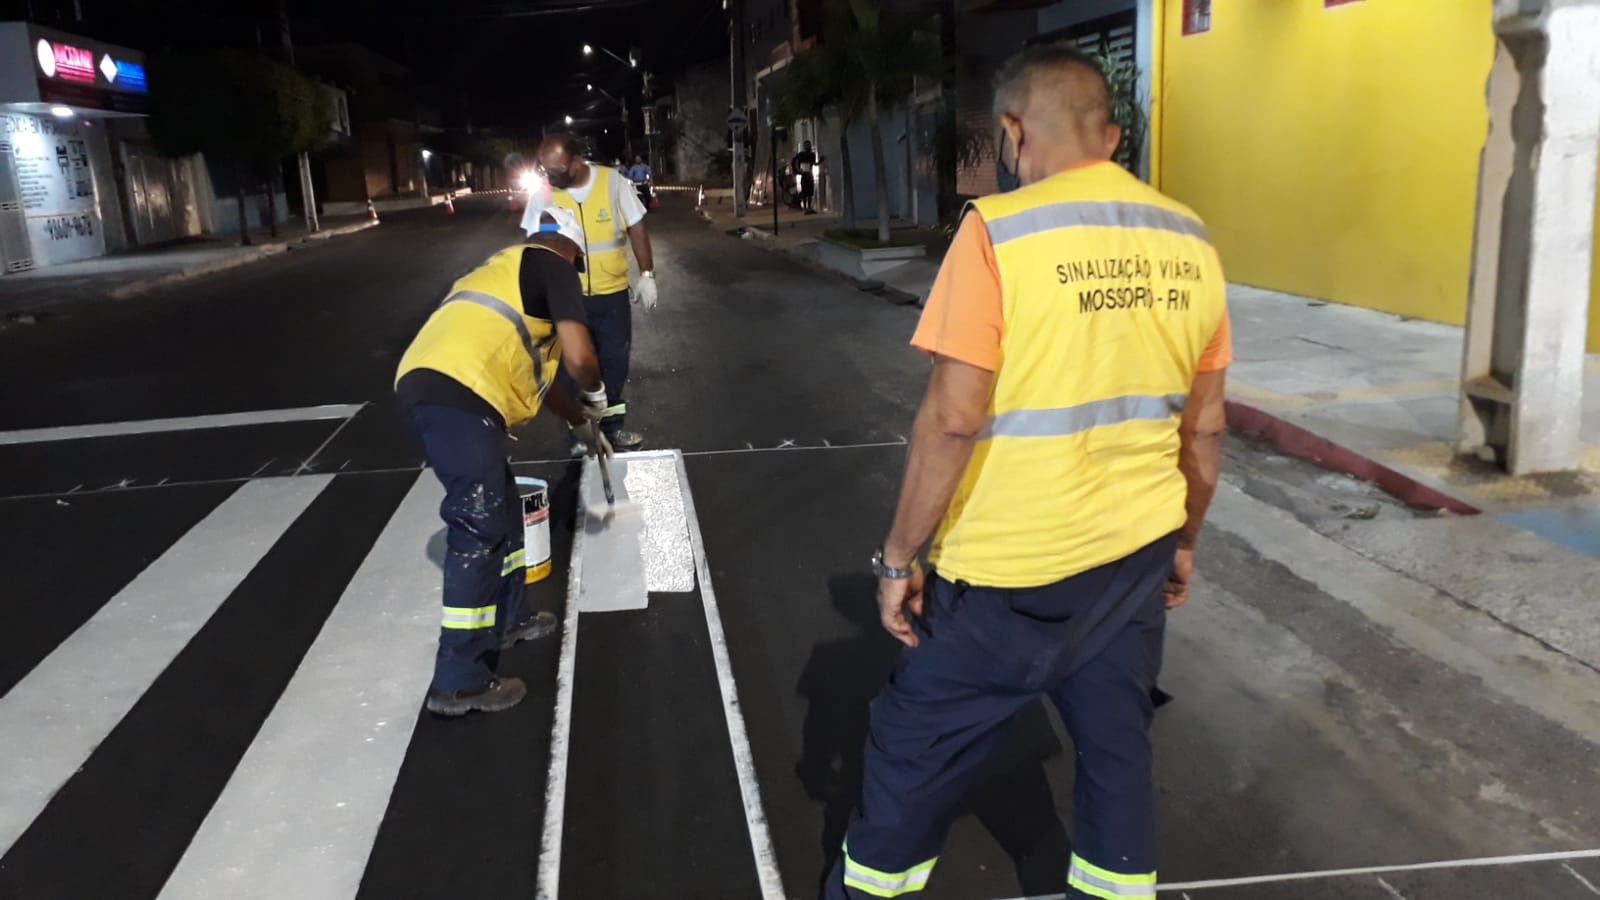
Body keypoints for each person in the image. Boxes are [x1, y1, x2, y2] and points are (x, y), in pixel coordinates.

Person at [827, 43, 1232, 899]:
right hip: (1133, 557)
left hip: (1009, 572)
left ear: (1013, 133)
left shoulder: (1000, 233)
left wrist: (899, 559)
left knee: (914, 747)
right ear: (1113, 136)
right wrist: (1185, 543)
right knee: (1116, 747)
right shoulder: (1189, 237)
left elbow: (950, 418)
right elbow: (1206, 430)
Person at [396, 209, 615, 717]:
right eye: (579, 265)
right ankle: (458, 679)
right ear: (572, 251)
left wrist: (578, 421)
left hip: (446, 389)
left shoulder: (506, 274)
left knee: (504, 513)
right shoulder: (549, 262)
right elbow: (580, 355)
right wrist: (599, 393)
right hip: (457, 393)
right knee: (479, 525)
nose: (577, 277)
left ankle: (509, 619)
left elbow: (549, 382)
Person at [522, 134, 656, 453]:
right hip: (567, 298)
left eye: (556, 170)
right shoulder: (543, 192)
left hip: (611, 295)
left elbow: (637, 227)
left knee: (613, 366)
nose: (549, 177)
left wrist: (647, 274)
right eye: (546, 170)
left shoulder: (613, 183)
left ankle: (612, 429)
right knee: (572, 369)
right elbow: (534, 243)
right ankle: (581, 436)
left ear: (577, 162)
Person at [792, 140, 818, 213]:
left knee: (810, 192)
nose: (808, 147)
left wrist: (820, 162)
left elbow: (814, 163)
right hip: (804, 174)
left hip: (809, 174)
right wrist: (798, 170)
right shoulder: (801, 154)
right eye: (806, 145)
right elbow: (796, 162)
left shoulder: (812, 154)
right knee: (805, 191)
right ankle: (805, 207)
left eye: (808, 145)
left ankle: (809, 207)